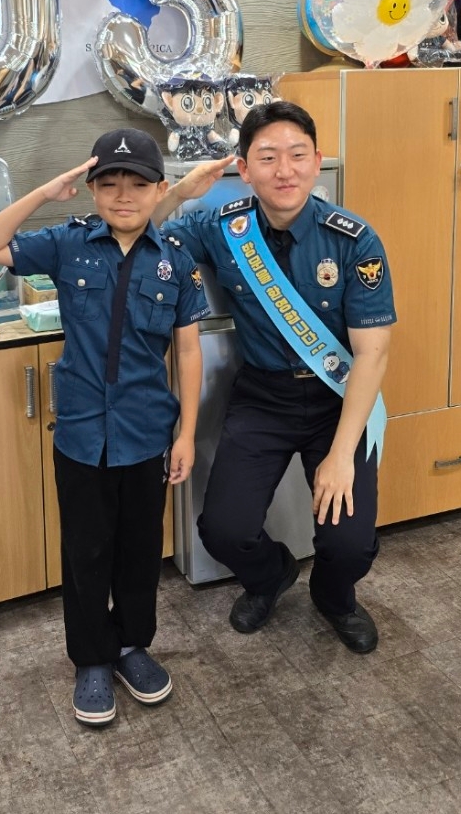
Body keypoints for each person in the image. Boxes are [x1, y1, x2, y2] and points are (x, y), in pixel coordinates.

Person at [0, 129, 209, 725]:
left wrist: (186, 434)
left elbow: (188, 351)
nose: (124, 195)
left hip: (147, 432)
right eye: (110, 184)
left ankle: (131, 647)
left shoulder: (176, 260)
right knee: (86, 552)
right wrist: (44, 193)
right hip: (80, 433)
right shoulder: (67, 244)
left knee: (139, 551)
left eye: (138, 184)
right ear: (93, 190)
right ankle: (92, 658)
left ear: (159, 190)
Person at [155, 100, 395, 653]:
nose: (284, 170)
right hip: (262, 397)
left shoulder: (354, 240)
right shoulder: (224, 227)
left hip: (337, 401)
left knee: (351, 544)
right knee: (222, 531)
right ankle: (272, 575)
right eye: (267, 158)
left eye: (297, 155)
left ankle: (334, 598)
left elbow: (373, 354)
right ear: (245, 168)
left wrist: (341, 455)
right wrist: (179, 193)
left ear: (316, 161)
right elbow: (143, 233)